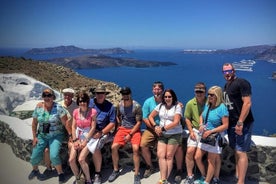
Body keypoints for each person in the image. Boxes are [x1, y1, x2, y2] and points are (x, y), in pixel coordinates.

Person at [140, 81, 184, 182]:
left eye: (169, 97)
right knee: (160, 155)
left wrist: (162, 128)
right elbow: (149, 116)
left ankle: (164, 179)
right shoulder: (159, 105)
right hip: (159, 132)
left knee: (169, 155)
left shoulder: (177, 106)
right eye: (166, 97)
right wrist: (155, 127)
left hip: (173, 133)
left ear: (173, 97)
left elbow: (176, 122)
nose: (167, 98)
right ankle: (159, 175)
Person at [222, 63, 254, 184]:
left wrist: (240, 123)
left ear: (234, 70)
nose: (227, 73)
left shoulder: (242, 83)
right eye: (224, 72)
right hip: (231, 123)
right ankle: (237, 174)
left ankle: (240, 181)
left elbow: (247, 103)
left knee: (240, 151)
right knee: (235, 149)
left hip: (242, 123)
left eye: (229, 71)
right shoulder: (226, 86)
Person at [28, 88, 68, 183]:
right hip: (42, 135)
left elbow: (66, 123)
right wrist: (35, 137)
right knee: (34, 157)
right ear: (42, 97)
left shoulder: (58, 108)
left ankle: (60, 173)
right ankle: (35, 170)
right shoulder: (38, 107)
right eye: (44, 95)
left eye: (49, 95)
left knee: (53, 155)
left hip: (56, 135)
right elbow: (34, 124)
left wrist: (71, 136)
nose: (47, 97)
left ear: (53, 97)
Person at [194, 86, 229, 184]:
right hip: (205, 135)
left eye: (212, 95)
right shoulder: (208, 105)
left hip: (215, 137)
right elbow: (202, 115)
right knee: (197, 157)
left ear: (217, 95)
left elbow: (226, 125)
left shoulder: (222, 108)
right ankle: (204, 175)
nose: (209, 96)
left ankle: (207, 181)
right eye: (208, 94)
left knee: (211, 161)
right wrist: (201, 124)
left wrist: (211, 131)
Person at [108, 87, 142, 184]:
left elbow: (139, 123)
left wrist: (130, 134)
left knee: (135, 149)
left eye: (127, 93)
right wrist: (118, 127)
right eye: (123, 94)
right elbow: (118, 116)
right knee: (114, 147)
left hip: (134, 130)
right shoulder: (120, 105)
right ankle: (115, 170)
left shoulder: (136, 106)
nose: (125, 95)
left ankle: (136, 173)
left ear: (130, 94)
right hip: (122, 129)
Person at [43, 88, 78, 179]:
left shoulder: (76, 106)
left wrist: (72, 134)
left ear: (73, 96)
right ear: (63, 95)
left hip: (71, 130)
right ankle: (49, 167)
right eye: (66, 94)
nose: (67, 97)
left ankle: (69, 166)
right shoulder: (58, 104)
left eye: (70, 95)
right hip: (59, 131)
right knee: (46, 149)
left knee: (71, 145)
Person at [88, 85, 116, 184]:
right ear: (95, 94)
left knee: (96, 147)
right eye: (98, 93)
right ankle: (84, 172)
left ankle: (97, 174)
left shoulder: (110, 107)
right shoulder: (90, 103)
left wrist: (101, 133)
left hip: (102, 132)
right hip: (88, 130)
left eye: (102, 93)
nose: (100, 95)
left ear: (105, 95)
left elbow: (112, 123)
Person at [69, 92, 97, 184]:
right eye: (80, 101)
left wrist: (85, 141)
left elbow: (93, 128)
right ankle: (79, 178)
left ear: (87, 101)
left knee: (81, 159)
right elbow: (73, 126)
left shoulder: (93, 112)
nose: (82, 103)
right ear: (78, 102)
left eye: (84, 101)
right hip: (77, 136)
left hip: (88, 137)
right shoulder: (76, 112)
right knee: (71, 160)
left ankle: (88, 180)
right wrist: (75, 140)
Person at [183, 82, 207, 184]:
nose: (199, 93)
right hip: (195, 131)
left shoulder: (209, 102)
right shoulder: (190, 103)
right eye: (197, 91)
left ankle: (205, 175)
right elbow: (187, 118)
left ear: (205, 91)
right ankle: (190, 176)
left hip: (207, 132)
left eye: (201, 91)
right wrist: (191, 131)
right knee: (189, 152)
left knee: (200, 156)